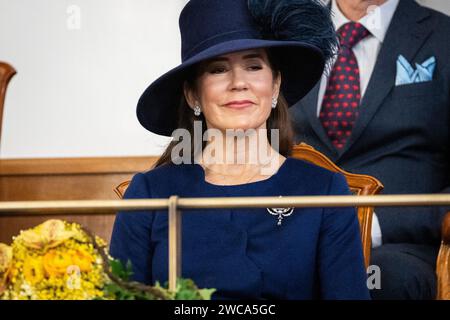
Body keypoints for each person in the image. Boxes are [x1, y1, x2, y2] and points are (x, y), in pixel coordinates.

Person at [110, 0, 370, 300]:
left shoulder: (323, 190)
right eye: (219, 69)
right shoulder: (150, 192)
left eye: (253, 65)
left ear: (275, 86)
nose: (239, 83)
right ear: (193, 94)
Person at [290, 0, 450, 299]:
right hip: (288, 233)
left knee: (377, 276)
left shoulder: (444, 37)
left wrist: (376, 224)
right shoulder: (287, 35)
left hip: (398, 247)